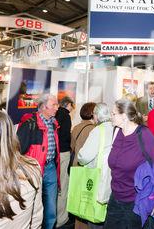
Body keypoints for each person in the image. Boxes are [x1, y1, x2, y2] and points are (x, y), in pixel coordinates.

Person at [105, 99, 154, 229]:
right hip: (115, 198)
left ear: (124, 117)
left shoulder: (144, 134)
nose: (111, 116)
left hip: (136, 202)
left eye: (114, 114)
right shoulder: (117, 132)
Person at [17, 94, 60, 229]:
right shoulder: (29, 124)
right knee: (32, 206)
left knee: (51, 207)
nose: (57, 108)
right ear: (43, 107)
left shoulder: (54, 124)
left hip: (50, 168)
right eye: (54, 105)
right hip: (33, 170)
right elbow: (17, 150)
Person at [77, 103, 114, 228]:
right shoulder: (116, 128)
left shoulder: (98, 130)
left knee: (95, 218)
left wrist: (79, 158)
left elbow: (84, 156)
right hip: (114, 179)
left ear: (96, 116)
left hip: (99, 178)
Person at [70, 102, 96, 229]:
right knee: (88, 201)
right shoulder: (94, 129)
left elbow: (72, 147)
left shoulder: (76, 127)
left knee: (78, 202)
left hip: (76, 168)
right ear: (93, 113)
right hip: (88, 170)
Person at [55, 96, 75, 228]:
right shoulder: (66, 116)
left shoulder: (55, 114)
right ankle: (62, 218)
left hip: (55, 153)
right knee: (64, 185)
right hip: (63, 153)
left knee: (56, 187)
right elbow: (66, 136)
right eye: (71, 107)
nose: (71, 109)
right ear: (67, 104)